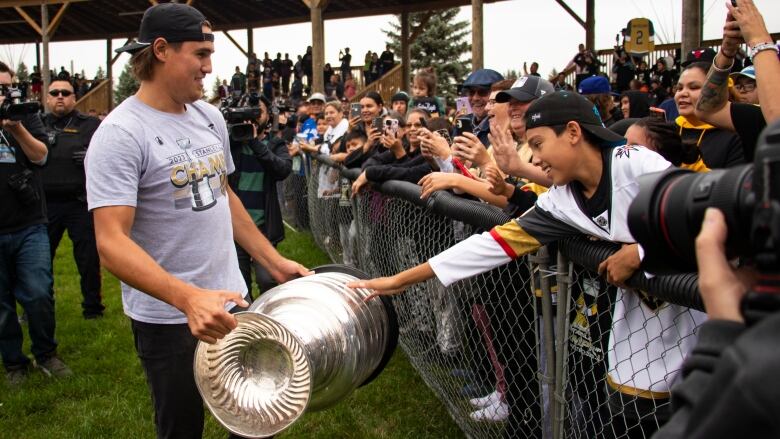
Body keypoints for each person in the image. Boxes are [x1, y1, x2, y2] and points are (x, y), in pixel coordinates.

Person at [350, 91, 706, 439]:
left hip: (706, 318)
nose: (535, 161)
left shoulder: (636, 163)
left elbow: (710, 211)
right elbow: (489, 246)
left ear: (572, 132)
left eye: (537, 144)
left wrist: (640, 251)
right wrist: (398, 281)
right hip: (641, 330)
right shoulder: (562, 200)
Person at [84, 4, 309, 438]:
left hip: (233, 304)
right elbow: (111, 241)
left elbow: (224, 196)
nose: (210, 67)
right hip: (169, 318)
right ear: (162, 50)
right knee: (182, 428)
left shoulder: (209, 117)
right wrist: (187, 299)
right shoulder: (121, 134)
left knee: (255, 417)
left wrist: (271, 260)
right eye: (201, 54)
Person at [0, 61, 72, 386]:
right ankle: (14, 364)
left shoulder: (25, 116)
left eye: (7, 87)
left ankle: (46, 354)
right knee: (1, 305)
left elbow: (42, 156)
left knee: (39, 293)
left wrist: (15, 128)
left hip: (29, 222)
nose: (4, 94)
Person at [42, 79, 104, 319]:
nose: (60, 96)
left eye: (65, 93)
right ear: (47, 98)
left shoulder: (89, 125)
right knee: (39, 262)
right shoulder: (37, 124)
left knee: (88, 258)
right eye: (54, 93)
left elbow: (108, 152)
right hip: (45, 205)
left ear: (74, 98)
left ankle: (93, 307)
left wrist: (91, 156)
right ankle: (37, 307)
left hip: (79, 202)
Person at [694, 0, 777, 160]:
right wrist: (727, 51)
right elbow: (708, 110)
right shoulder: (760, 118)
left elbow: (777, 125)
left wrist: (759, 40)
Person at [228, 95, 292, 298]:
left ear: (269, 115)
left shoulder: (275, 143)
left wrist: (254, 142)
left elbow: (282, 170)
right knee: (240, 286)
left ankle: (269, 320)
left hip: (264, 227)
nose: (252, 118)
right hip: (234, 229)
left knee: (267, 281)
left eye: (258, 112)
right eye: (246, 112)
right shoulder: (230, 143)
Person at [674, 62, 744, 171]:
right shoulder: (669, 130)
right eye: (679, 88)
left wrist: (693, 166)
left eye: (694, 87)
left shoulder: (737, 136)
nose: (682, 93)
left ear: (718, 93)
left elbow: (733, 185)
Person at [459, 69, 504, 147]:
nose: (475, 98)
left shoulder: (501, 127)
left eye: (482, 92)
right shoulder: (462, 123)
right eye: (471, 92)